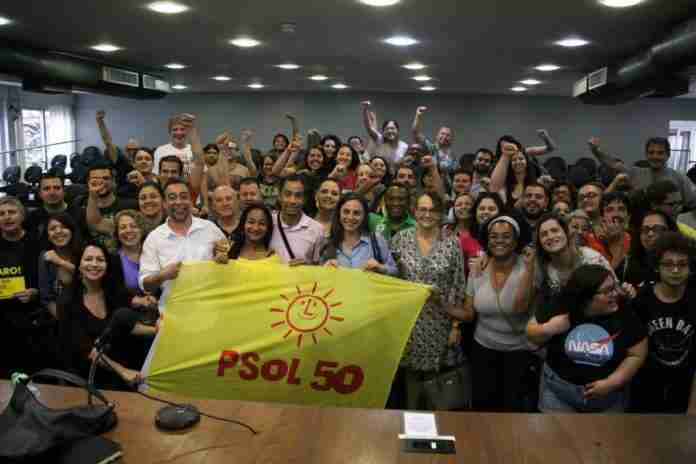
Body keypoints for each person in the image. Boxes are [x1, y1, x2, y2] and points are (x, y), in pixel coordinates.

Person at [527, 264, 647, 413]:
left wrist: (613, 382)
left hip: (607, 400)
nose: (616, 293)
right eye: (608, 291)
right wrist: (548, 329)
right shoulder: (561, 304)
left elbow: (637, 354)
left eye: (615, 287)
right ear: (586, 297)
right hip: (558, 395)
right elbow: (530, 332)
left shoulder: (624, 312)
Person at [389, 193, 468, 410]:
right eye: (422, 209)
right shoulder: (400, 239)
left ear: (441, 213)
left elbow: (458, 285)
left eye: (432, 210)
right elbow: (390, 277)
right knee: (410, 385)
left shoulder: (451, 243)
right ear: (414, 211)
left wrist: (455, 325)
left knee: (439, 390)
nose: (427, 214)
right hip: (408, 324)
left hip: (440, 323)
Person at [58, 243, 156, 387]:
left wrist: (156, 331)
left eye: (100, 260)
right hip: (86, 378)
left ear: (107, 265)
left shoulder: (113, 292)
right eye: (88, 259)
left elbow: (127, 325)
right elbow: (86, 348)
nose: (94, 264)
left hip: (121, 373)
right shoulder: (67, 300)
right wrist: (122, 371)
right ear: (78, 265)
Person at [466, 214, 535, 412]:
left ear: (516, 241)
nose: (499, 241)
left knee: (512, 409)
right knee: (483, 407)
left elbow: (521, 307)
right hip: (482, 350)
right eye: (494, 236)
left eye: (506, 236)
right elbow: (469, 310)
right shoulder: (478, 267)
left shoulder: (529, 266)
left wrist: (530, 270)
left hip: (518, 353)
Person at [630, 232, 696, 414]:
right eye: (668, 264)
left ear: (690, 268)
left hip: (684, 388)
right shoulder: (641, 300)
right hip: (643, 389)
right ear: (657, 267)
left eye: (682, 264)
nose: (675, 270)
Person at [140, 178, 227, 312]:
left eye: (184, 196)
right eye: (172, 197)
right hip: (174, 315)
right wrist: (162, 276)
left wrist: (223, 259)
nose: (179, 202)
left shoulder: (210, 229)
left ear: (191, 201)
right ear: (164, 203)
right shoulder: (154, 238)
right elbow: (145, 285)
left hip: (212, 310)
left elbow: (229, 263)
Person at [525, 213, 615, 324]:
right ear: (540, 243)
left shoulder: (592, 257)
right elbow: (528, 306)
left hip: (601, 324)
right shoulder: (541, 269)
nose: (550, 236)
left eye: (555, 230)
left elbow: (615, 290)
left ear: (566, 233)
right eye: (544, 234)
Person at [588, 136, 696, 210]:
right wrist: (596, 150)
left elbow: (691, 204)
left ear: (668, 155)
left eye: (660, 153)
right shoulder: (636, 173)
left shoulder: (679, 178)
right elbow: (613, 164)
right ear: (646, 154)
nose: (655, 156)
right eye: (651, 152)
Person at [0, 197, 44, 377]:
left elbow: (50, 282)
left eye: (12, 212)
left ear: (22, 216)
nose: (7, 217)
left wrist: (36, 292)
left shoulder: (37, 242)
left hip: (31, 317)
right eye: (1, 214)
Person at [308, 194, 397, 275]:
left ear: (364, 216)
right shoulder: (327, 244)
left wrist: (380, 268)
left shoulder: (376, 240)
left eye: (356, 213)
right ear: (339, 214)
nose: (350, 217)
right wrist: (324, 269)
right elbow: (318, 279)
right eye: (346, 212)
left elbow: (395, 272)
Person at [78, 160, 138, 254]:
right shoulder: (80, 208)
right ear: (88, 182)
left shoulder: (131, 206)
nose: (101, 182)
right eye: (95, 179)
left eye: (105, 178)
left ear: (113, 181)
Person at [269, 175, 324, 264]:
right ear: (279, 196)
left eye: (298, 196)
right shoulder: (268, 222)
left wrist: (306, 267)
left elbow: (317, 265)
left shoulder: (317, 229)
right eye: (287, 194)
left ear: (304, 199)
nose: (292, 201)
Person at [38, 213, 82, 319]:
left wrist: (59, 262)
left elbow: (86, 276)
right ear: (48, 236)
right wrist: (64, 322)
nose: (58, 231)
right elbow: (46, 297)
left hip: (85, 313)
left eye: (63, 227)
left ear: (72, 231)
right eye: (53, 229)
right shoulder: (45, 256)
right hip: (60, 317)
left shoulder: (84, 252)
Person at [622, 210, 677, 287]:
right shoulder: (631, 266)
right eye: (645, 230)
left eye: (657, 229)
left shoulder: (685, 262)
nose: (650, 234)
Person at [24, 172, 72, 252]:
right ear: (40, 193)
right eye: (46, 189)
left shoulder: (79, 214)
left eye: (57, 188)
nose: (52, 193)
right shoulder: (32, 218)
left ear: (64, 191)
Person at [584, 191, 631, 272]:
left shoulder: (635, 240)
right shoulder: (590, 241)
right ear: (602, 218)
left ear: (628, 216)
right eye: (609, 210)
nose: (616, 214)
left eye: (621, 209)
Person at [490, 139, 539, 209]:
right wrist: (505, 155)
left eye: (521, 159)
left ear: (527, 162)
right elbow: (494, 189)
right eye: (514, 160)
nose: (518, 162)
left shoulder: (535, 182)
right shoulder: (506, 184)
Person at [411, 106, 458, 176]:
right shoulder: (431, 148)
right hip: (430, 183)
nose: (444, 137)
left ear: (451, 139)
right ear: (437, 136)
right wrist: (418, 116)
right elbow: (416, 133)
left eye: (448, 135)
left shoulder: (453, 157)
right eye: (442, 133)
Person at [361, 101, 408, 168]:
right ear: (383, 132)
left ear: (398, 130)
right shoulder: (379, 140)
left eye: (392, 128)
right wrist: (365, 110)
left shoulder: (404, 146)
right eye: (387, 129)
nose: (390, 131)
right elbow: (369, 128)